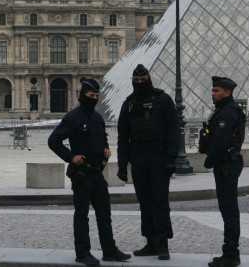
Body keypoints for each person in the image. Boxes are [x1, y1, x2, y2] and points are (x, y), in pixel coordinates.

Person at [48, 78, 131, 266]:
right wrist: (70, 157)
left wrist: (106, 149)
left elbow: (101, 138)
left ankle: (109, 250)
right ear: (82, 96)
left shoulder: (98, 117)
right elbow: (53, 140)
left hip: (97, 172)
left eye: (96, 96)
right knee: (82, 215)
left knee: (104, 214)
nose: (94, 98)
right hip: (82, 174)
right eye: (91, 95)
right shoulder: (73, 117)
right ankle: (82, 253)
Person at [116, 64, 180, 260]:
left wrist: (171, 158)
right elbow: (123, 136)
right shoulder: (128, 104)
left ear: (149, 79)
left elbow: (173, 130)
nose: (140, 83)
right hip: (139, 157)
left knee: (159, 200)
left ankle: (163, 242)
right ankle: (150, 241)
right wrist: (122, 164)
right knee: (144, 201)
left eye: (143, 80)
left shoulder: (163, 100)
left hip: (159, 157)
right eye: (137, 81)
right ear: (133, 81)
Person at [201, 76, 246, 267]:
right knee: (227, 209)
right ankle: (230, 251)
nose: (213, 94)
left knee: (229, 210)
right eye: (212, 91)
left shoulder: (227, 113)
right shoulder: (224, 111)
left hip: (226, 164)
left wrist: (208, 162)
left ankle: (231, 253)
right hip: (226, 163)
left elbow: (220, 142)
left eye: (216, 91)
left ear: (227, 93)